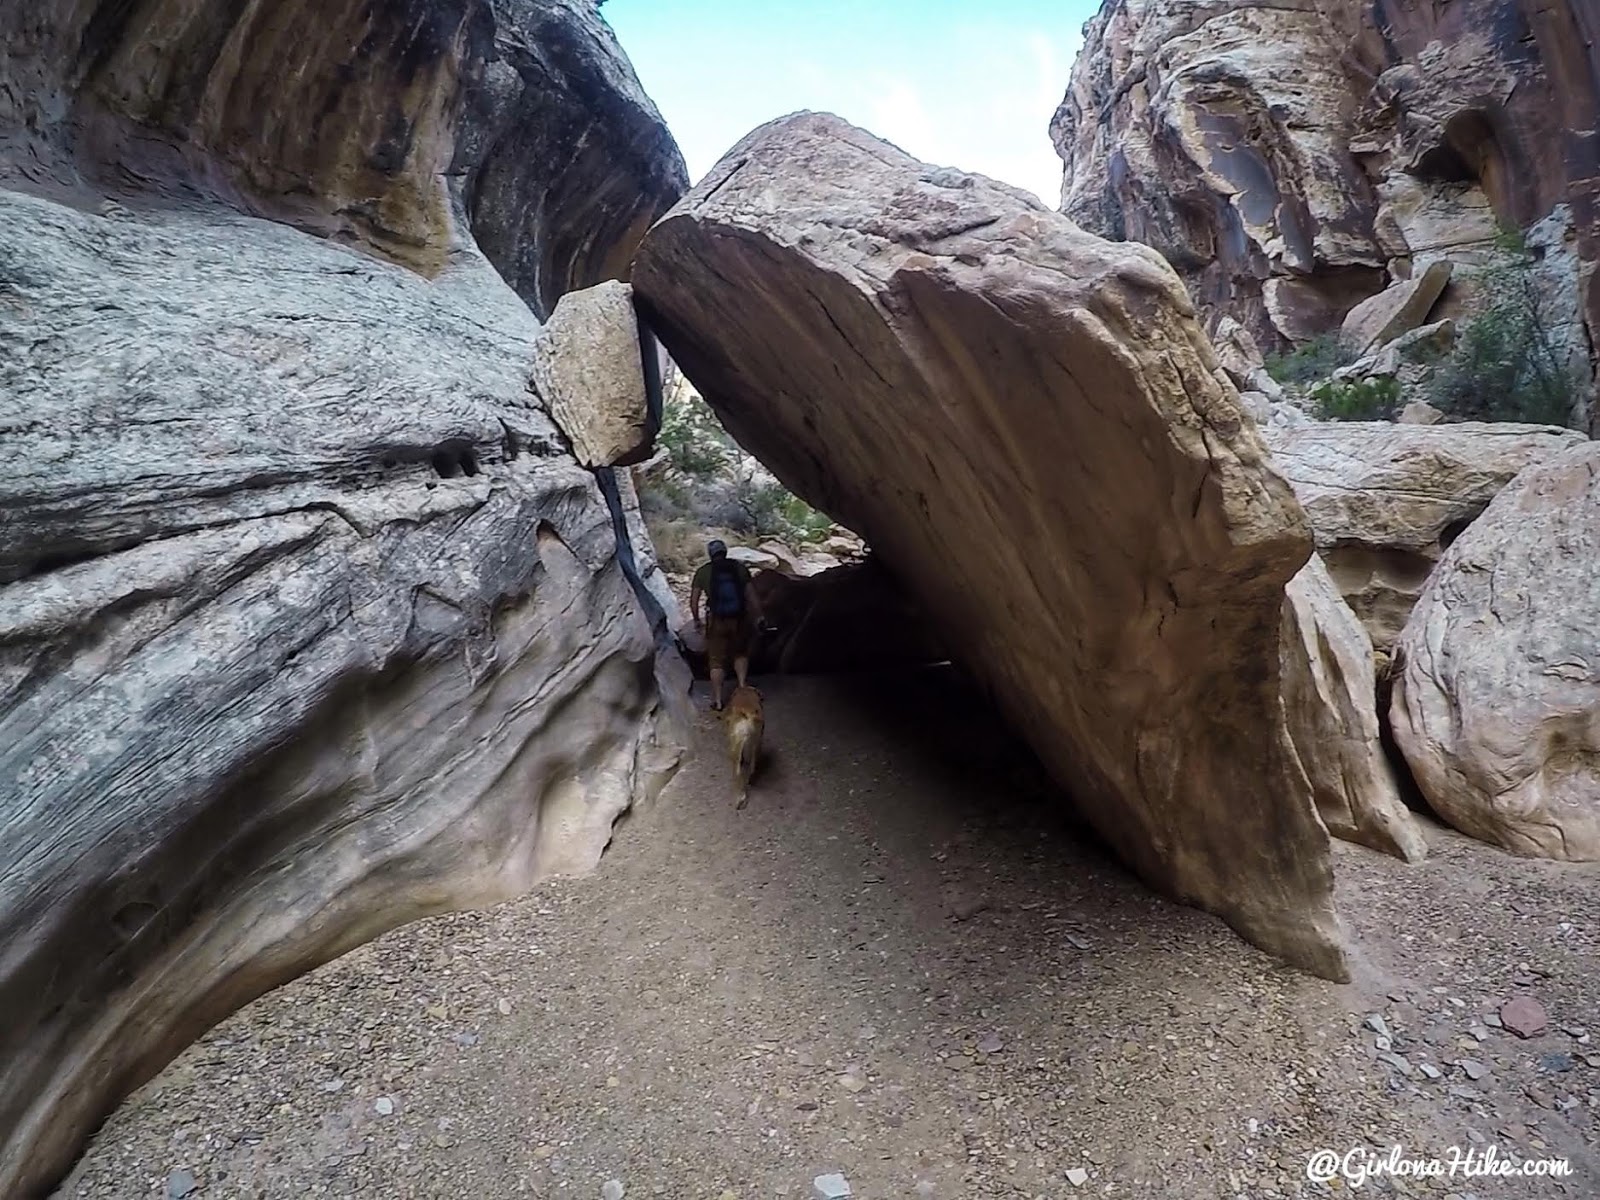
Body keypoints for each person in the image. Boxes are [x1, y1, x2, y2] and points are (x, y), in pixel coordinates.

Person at [690, 539, 765, 710]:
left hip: (716, 621)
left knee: (716, 661)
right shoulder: (739, 568)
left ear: (710, 554)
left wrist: (697, 621)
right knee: (740, 653)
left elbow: (694, 600)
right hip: (739, 618)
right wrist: (759, 616)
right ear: (725, 552)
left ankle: (717, 700)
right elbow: (751, 596)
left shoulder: (703, 572)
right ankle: (742, 687)